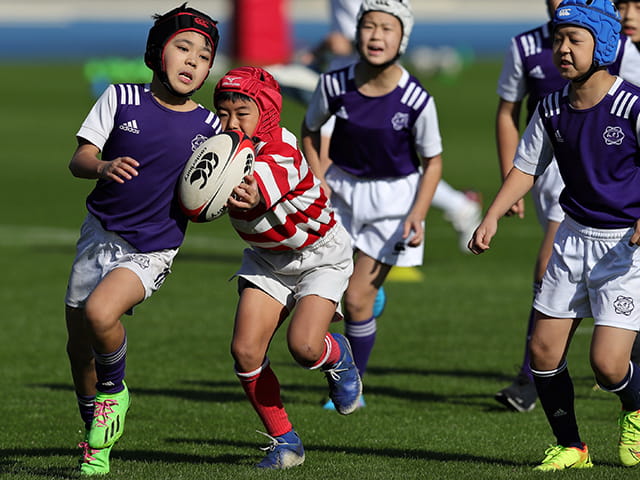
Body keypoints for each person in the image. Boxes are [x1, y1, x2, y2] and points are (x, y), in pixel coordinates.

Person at [470, 0, 640, 470]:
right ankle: (573, 446)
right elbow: (526, 167)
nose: (561, 50)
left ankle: (637, 407)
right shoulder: (550, 106)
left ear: (603, 45)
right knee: (543, 352)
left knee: (608, 366)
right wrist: (492, 215)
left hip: (626, 247)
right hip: (572, 238)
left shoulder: (632, 105)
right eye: (558, 40)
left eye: (574, 40)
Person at [64, 4, 220, 475]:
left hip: (152, 248)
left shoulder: (211, 129)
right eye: (183, 47)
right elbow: (80, 159)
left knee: (100, 314)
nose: (193, 60)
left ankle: (116, 391)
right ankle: (97, 442)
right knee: (78, 348)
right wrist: (103, 166)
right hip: (99, 235)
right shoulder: (120, 98)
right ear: (157, 53)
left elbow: (215, 194)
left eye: (205, 55)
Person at [214, 66, 362, 469]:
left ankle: (338, 355)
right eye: (223, 113)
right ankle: (286, 442)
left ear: (266, 113)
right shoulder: (220, 145)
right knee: (245, 351)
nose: (230, 123)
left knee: (305, 346)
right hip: (268, 259)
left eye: (242, 113)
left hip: (320, 255)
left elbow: (256, 191)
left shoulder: (281, 150)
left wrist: (217, 190)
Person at [301, 0, 442, 409]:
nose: (376, 36)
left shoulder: (417, 99)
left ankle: (352, 385)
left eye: (386, 28)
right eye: (368, 27)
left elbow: (433, 162)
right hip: (341, 195)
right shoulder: (333, 84)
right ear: (356, 32)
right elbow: (310, 130)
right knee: (324, 293)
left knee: (357, 299)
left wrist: (417, 213)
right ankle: (364, 306)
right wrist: (319, 176)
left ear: (402, 39)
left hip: (393, 203)